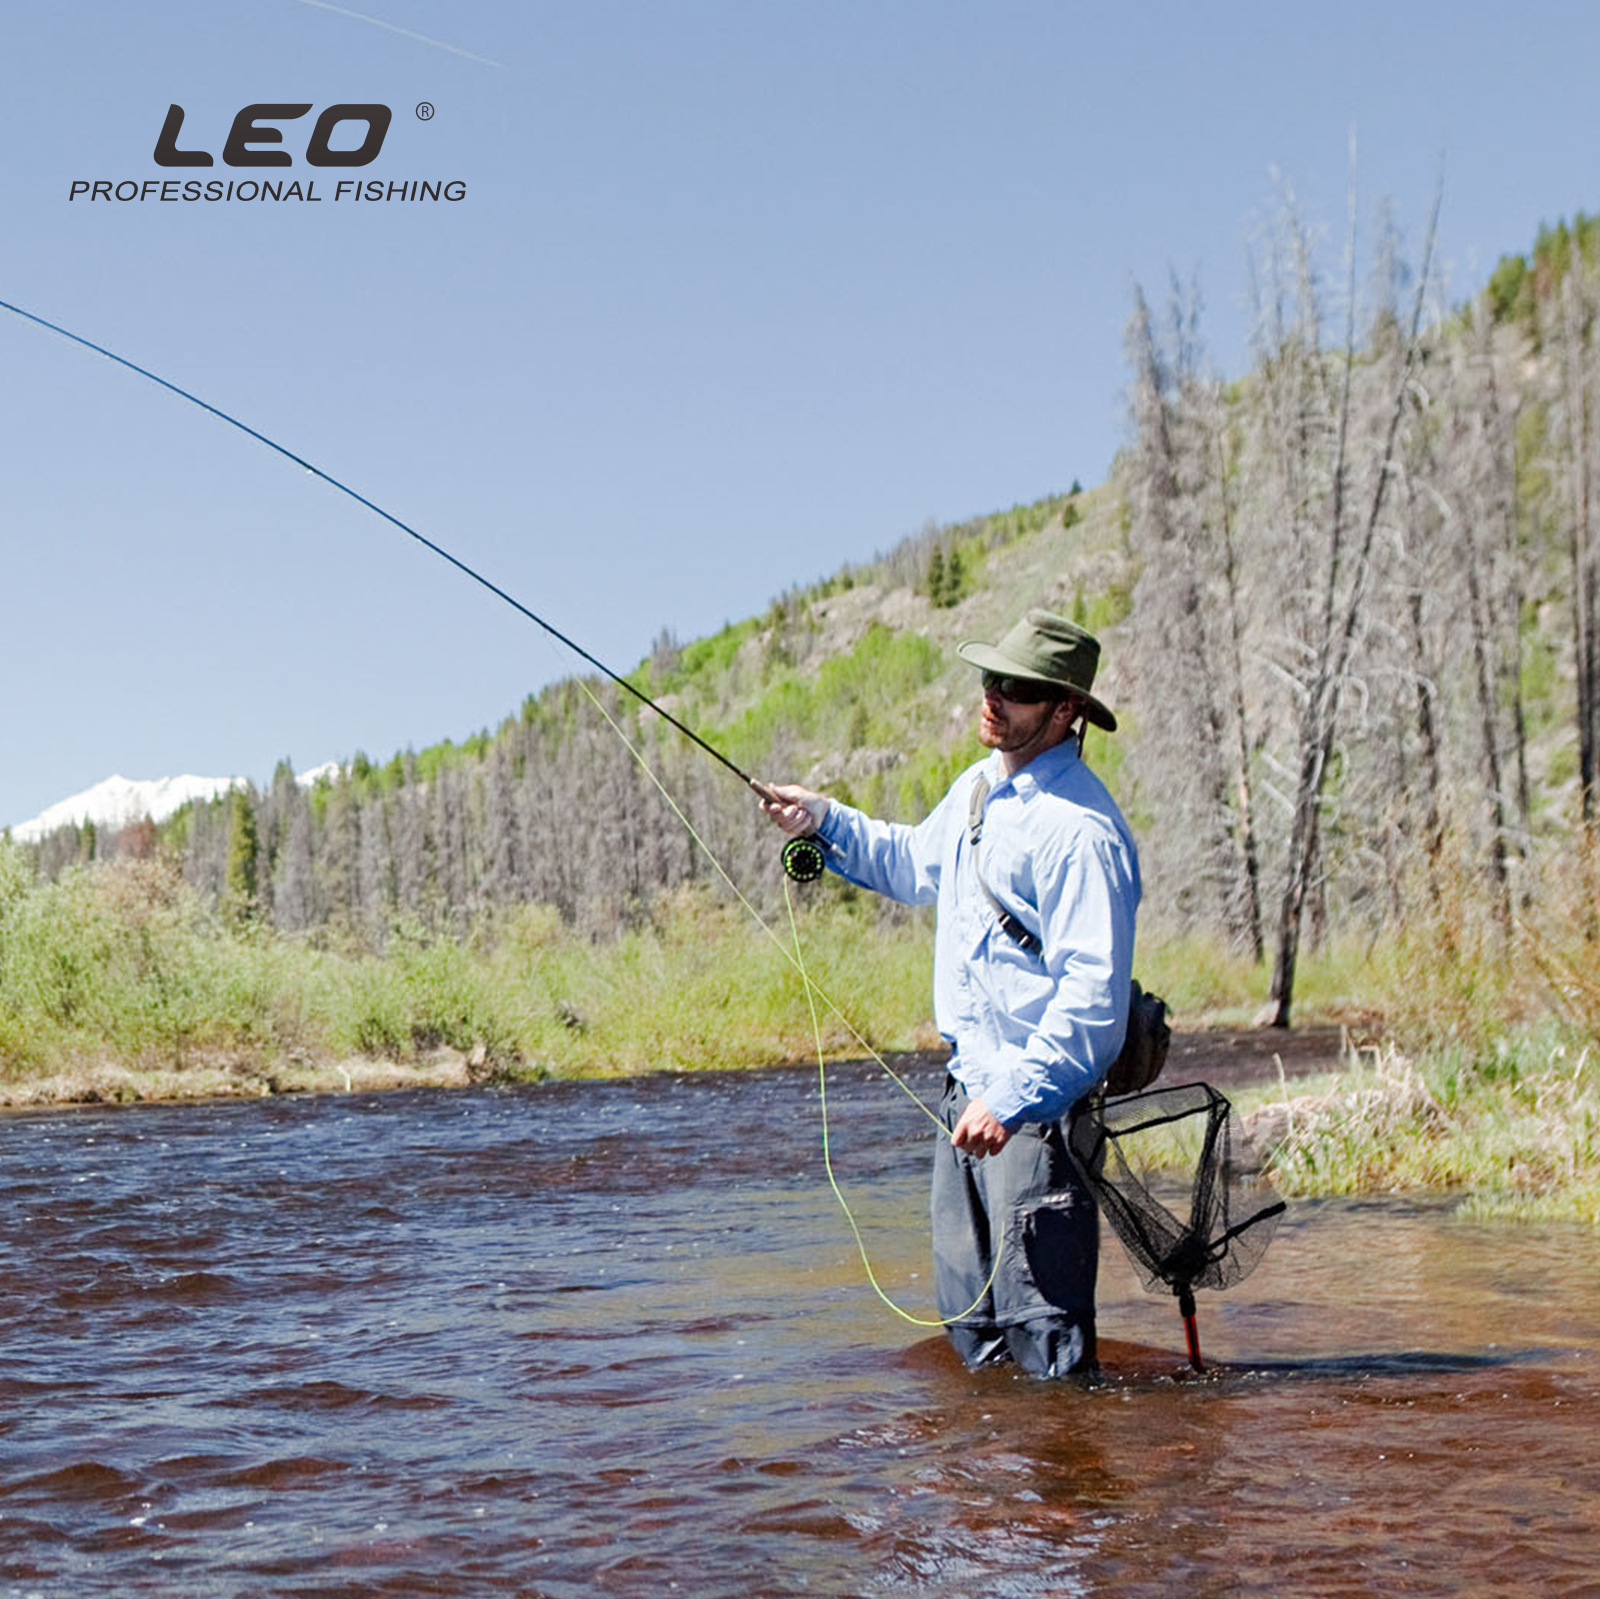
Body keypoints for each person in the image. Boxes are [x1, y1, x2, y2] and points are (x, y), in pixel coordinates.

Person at [759, 607, 1140, 1378]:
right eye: (991, 678)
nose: (993, 695)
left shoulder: (1083, 832)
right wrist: (822, 819)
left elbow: (1094, 1005)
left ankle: (1067, 1460)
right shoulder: (977, 788)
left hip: (1036, 1121)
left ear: (1065, 709)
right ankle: (991, 1462)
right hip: (964, 1102)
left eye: (1017, 688)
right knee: (974, 1331)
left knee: (1048, 1346)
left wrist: (1012, 1100)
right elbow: (908, 862)